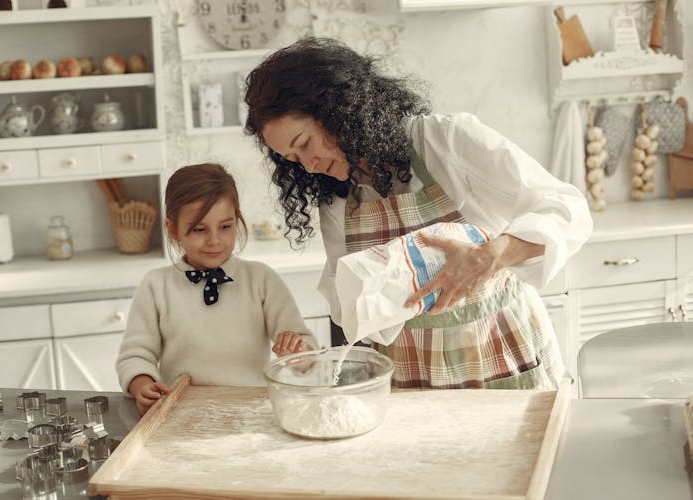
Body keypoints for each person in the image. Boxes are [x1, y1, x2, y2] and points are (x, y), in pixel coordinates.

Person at [244, 37, 593, 390]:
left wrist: (494, 254)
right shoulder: (336, 199)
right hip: (410, 377)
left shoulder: (444, 141)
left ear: (338, 110)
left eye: (305, 144)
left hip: (501, 355)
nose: (309, 165)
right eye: (293, 159)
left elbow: (567, 208)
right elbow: (345, 299)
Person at [116, 163, 317, 415]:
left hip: (252, 412)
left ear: (237, 220)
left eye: (225, 226)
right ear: (173, 229)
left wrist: (299, 353)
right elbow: (134, 356)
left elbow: (307, 350)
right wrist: (141, 385)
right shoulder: (156, 286)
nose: (214, 240)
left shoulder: (262, 280)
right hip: (181, 415)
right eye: (200, 229)